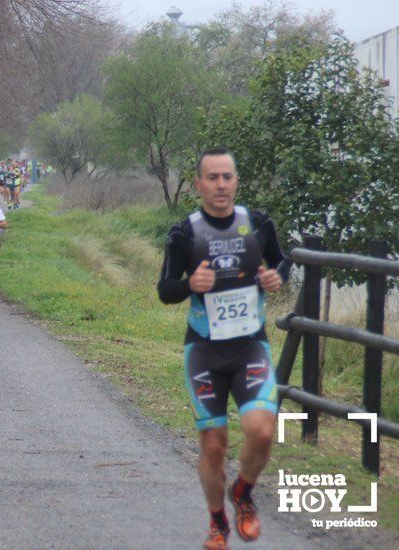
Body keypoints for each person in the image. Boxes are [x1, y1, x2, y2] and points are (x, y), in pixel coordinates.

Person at [157, 148, 291, 550]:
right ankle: (217, 523)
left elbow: (283, 262)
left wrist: (275, 278)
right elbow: (166, 290)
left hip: (250, 346)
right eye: (212, 178)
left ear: (236, 181)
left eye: (227, 177)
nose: (220, 185)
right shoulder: (185, 233)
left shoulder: (258, 224)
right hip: (204, 351)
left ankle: (243, 494)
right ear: (197, 184)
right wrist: (189, 286)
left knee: (262, 431)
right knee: (214, 445)